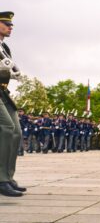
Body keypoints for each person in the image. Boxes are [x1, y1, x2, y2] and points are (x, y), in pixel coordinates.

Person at [0, 11, 26, 197]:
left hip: (3, 92)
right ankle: (1, 180)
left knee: (16, 131)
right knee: (7, 128)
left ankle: (8, 177)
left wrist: (9, 74)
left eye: (11, 25)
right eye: (6, 24)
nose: (10, 27)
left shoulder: (5, 47)